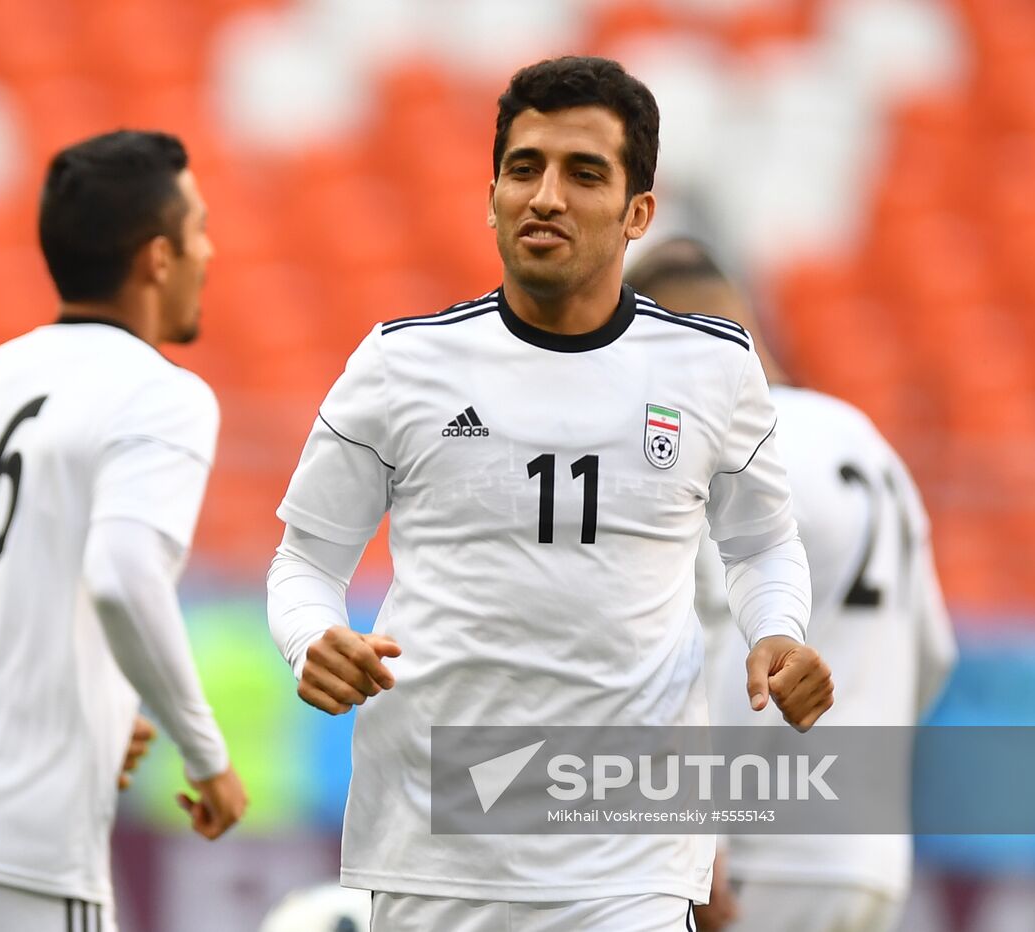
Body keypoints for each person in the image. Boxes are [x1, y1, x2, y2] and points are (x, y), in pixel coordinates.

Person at [266, 56, 833, 931]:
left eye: (583, 173)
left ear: (638, 212)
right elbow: (305, 557)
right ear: (490, 192)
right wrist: (311, 638)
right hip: (436, 843)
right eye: (524, 168)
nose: (546, 196)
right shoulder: (399, 365)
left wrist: (779, 634)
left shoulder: (714, 369)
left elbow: (761, 545)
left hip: (629, 859)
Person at [0, 130, 247, 932]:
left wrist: (80, 701)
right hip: (11, 847)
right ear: (158, 258)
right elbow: (124, 576)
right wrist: (208, 760)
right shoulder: (159, 395)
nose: (211, 248)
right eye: (199, 226)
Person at [626, 237, 956, 932]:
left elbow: (708, 644)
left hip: (760, 856)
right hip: (870, 859)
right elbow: (935, 653)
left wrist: (695, 830)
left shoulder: (739, 450)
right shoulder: (863, 441)